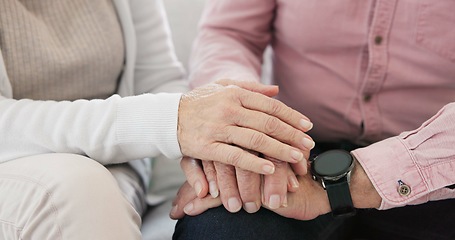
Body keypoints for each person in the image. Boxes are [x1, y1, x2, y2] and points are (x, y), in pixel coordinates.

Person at [0, 1, 312, 239]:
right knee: (77, 187)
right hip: (21, 169)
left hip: (116, 175)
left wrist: (213, 150)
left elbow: (160, 78)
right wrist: (174, 123)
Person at [171, 1, 455, 239]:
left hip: (436, 163)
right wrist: (245, 118)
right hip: (294, 154)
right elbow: (230, 33)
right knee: (219, 230)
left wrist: (350, 183)